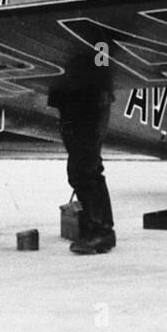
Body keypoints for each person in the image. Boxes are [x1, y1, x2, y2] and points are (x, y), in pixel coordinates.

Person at [50, 81, 117, 255]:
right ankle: (95, 228)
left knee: (84, 168)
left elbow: (103, 57)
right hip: (71, 98)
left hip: (90, 100)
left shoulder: (98, 56)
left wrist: (100, 83)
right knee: (83, 167)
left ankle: (101, 231)